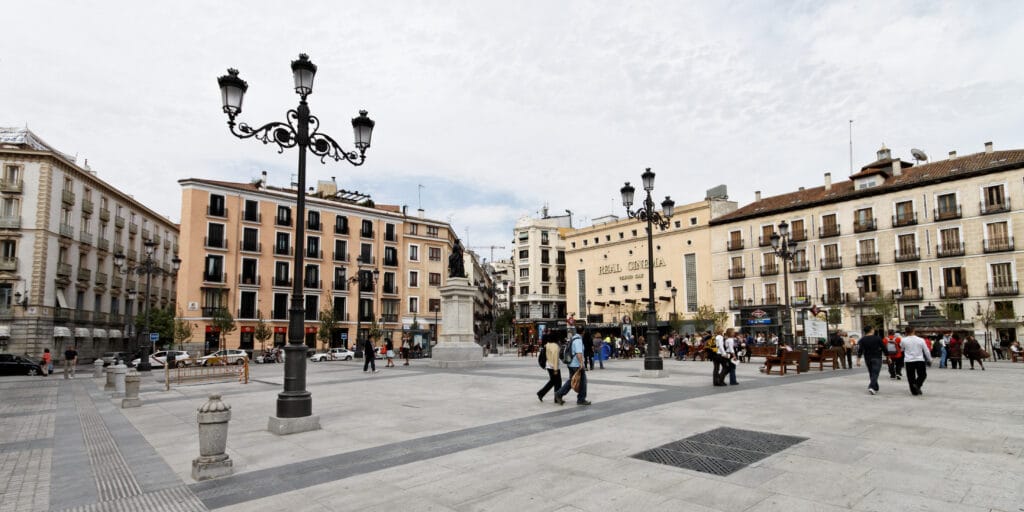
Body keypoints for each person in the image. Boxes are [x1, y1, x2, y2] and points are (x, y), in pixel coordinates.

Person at [554, 331, 590, 405]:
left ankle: (559, 394)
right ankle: (581, 399)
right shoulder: (578, 340)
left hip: (571, 363)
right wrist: (581, 363)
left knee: (572, 381)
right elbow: (578, 353)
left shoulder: (573, 338)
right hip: (576, 365)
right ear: (583, 332)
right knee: (583, 382)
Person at [901, 326, 932, 395]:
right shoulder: (921, 340)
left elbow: (902, 349)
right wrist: (930, 359)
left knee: (910, 376)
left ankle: (914, 391)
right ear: (913, 331)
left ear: (906, 332)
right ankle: (917, 384)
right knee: (922, 375)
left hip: (909, 360)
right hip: (919, 359)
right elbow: (926, 350)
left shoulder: (903, 340)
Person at [855, 326, 886, 395]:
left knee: (872, 373)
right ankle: (871, 387)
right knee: (875, 373)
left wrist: (858, 360)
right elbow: (884, 347)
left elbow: (860, 350)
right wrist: (888, 357)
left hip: (868, 358)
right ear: (871, 330)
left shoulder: (862, 339)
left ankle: (875, 387)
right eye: (873, 329)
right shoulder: (877, 338)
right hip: (877, 357)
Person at [536, 333, 561, 402]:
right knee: (558, 382)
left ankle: (541, 393)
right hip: (553, 367)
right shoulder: (555, 346)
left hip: (548, 366)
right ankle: (557, 398)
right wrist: (556, 369)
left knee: (553, 381)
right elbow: (555, 358)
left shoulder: (547, 345)